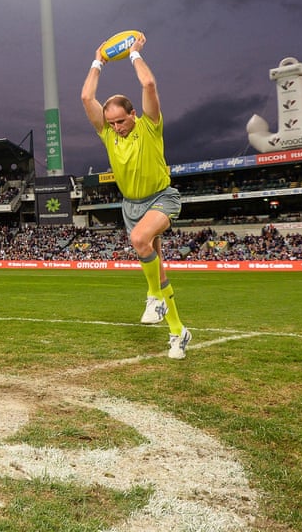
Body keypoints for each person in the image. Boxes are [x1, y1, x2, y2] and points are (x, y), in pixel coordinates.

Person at [81, 34, 191, 359]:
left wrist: (133, 54)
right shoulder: (108, 135)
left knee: (141, 239)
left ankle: (153, 298)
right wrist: (98, 59)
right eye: (111, 122)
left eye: (120, 120)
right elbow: (86, 95)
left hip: (162, 197)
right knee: (158, 270)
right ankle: (178, 332)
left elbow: (149, 85)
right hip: (131, 205)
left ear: (133, 114)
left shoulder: (149, 126)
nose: (116, 126)